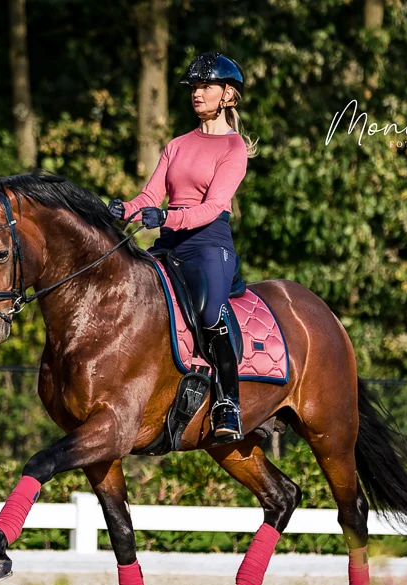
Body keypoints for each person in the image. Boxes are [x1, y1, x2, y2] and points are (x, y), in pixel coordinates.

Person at [109, 52, 257, 443]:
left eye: (204, 87)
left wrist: (167, 217)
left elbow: (211, 208)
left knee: (210, 311)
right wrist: (122, 209)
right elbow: (150, 195)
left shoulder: (233, 148)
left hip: (208, 243)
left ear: (228, 94)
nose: (196, 94)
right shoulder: (176, 144)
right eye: (193, 87)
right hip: (170, 241)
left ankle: (229, 403)